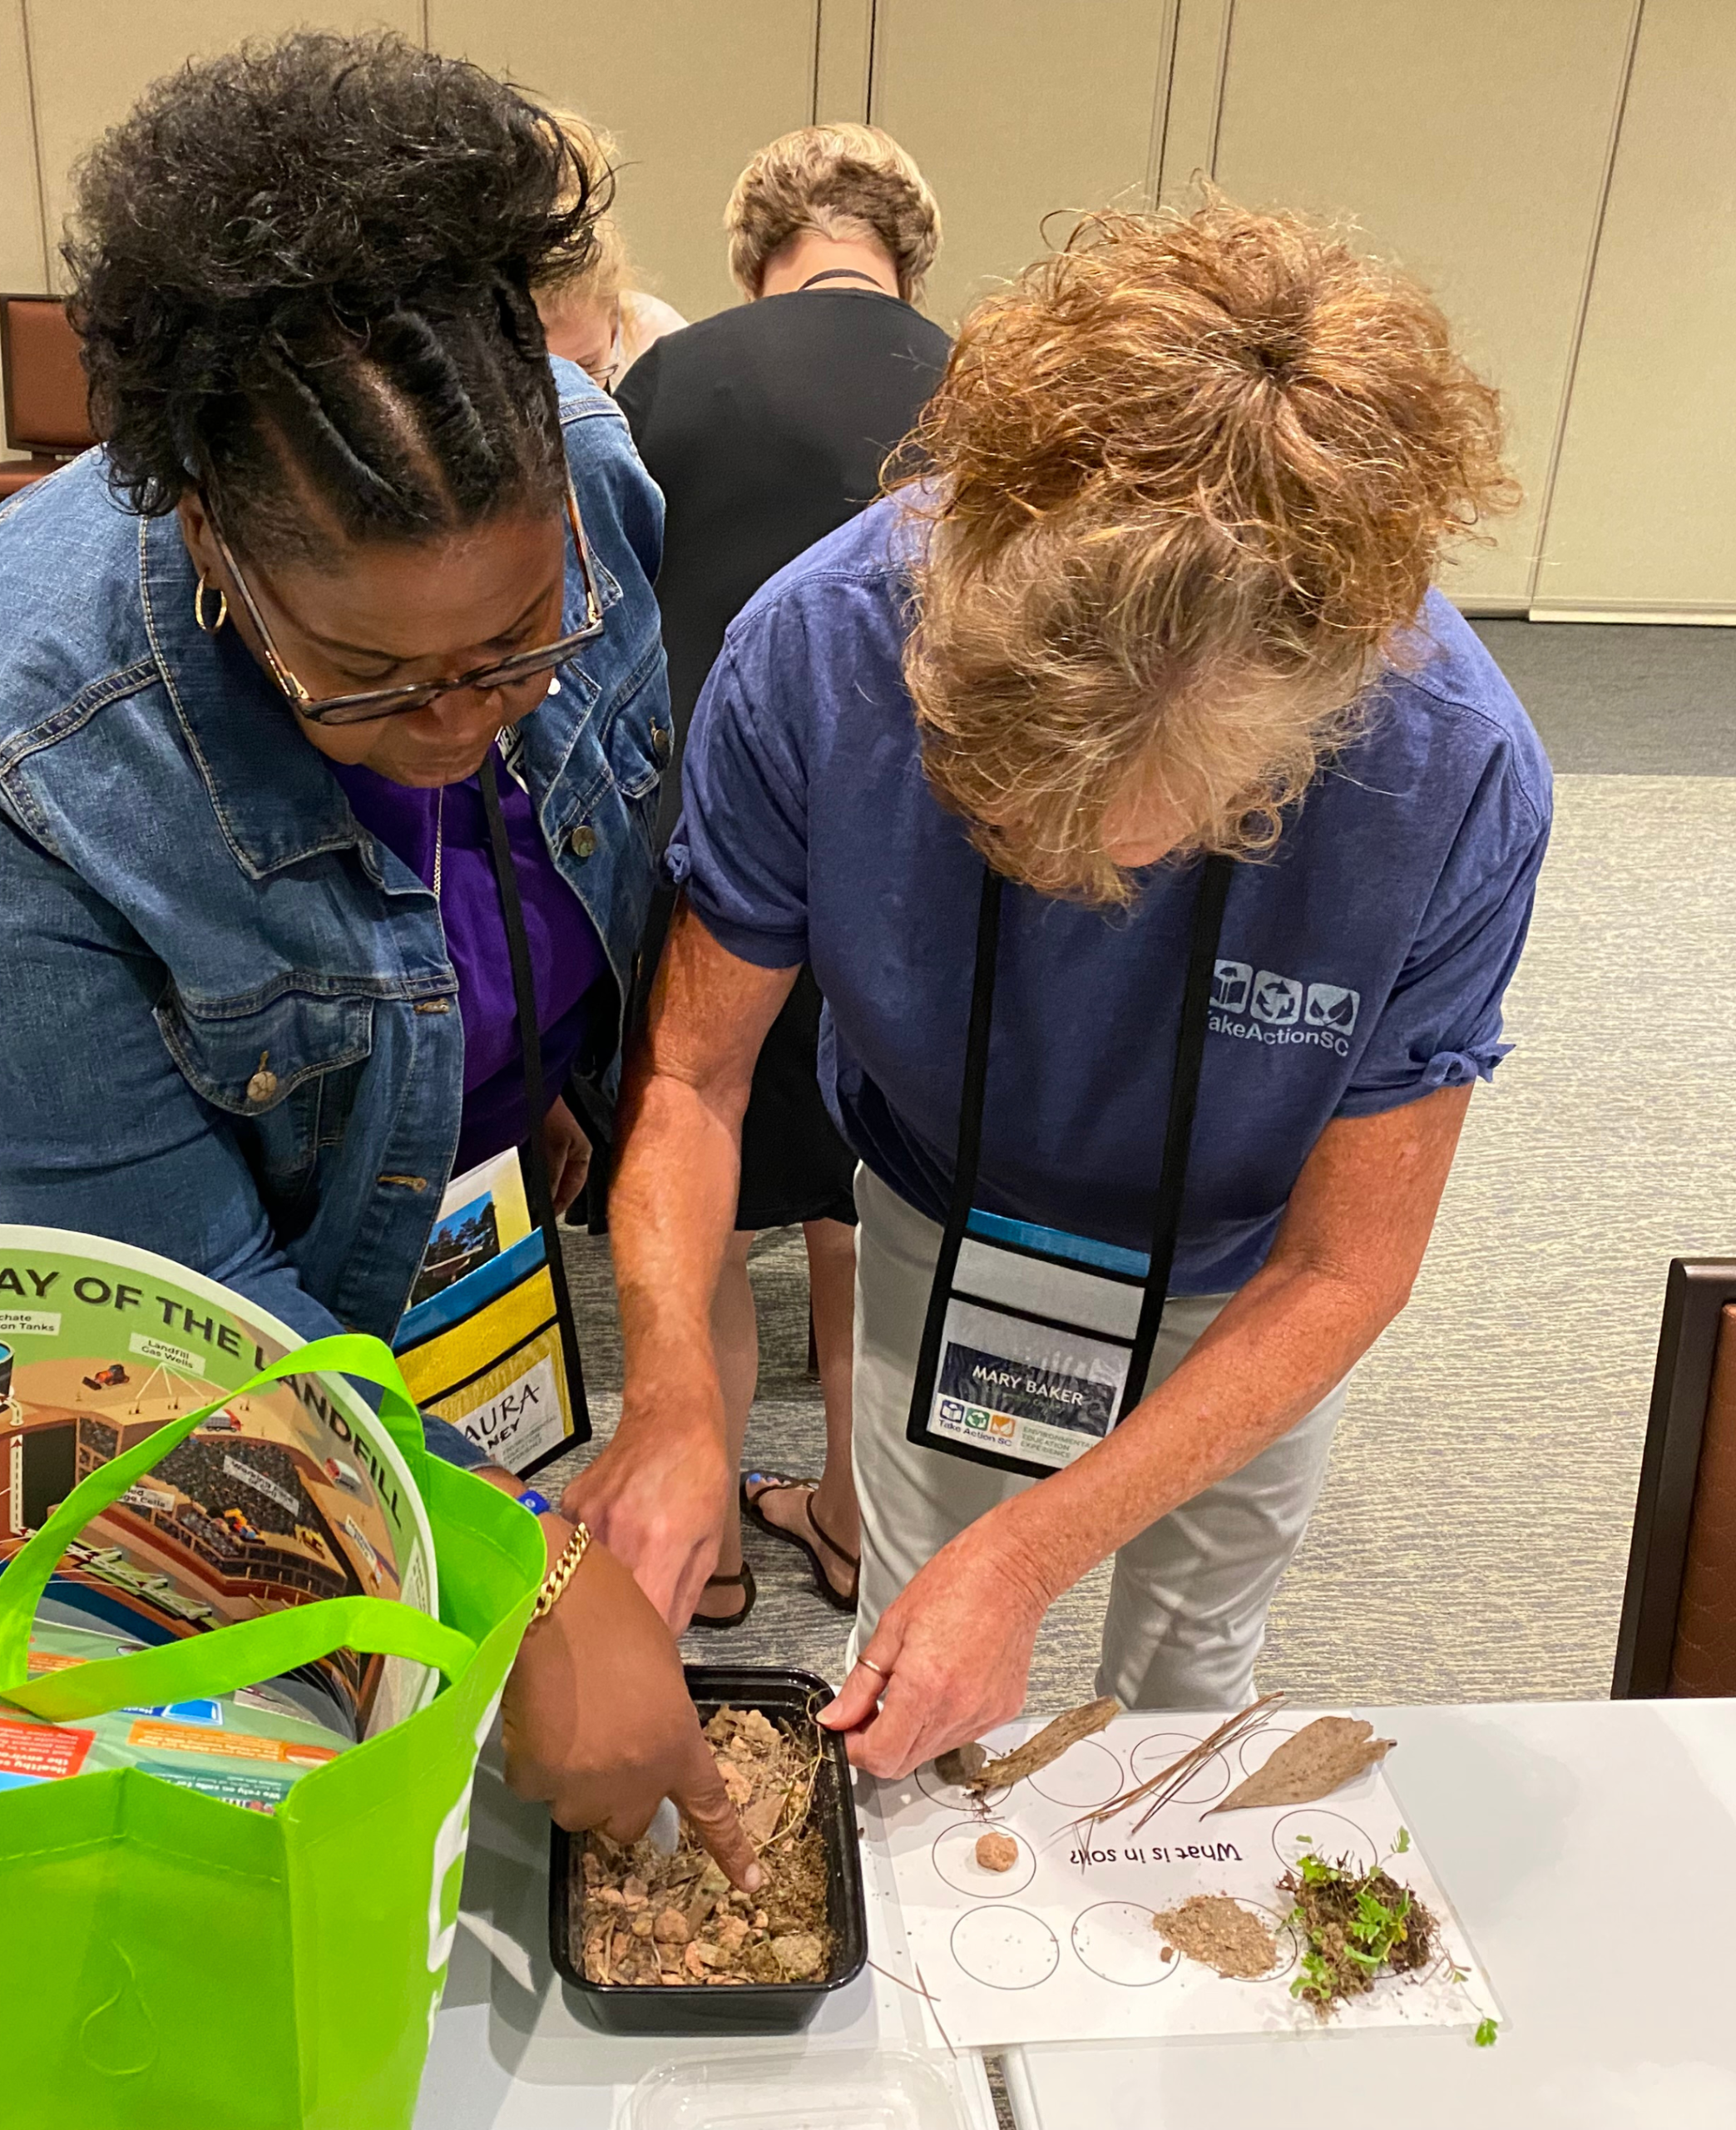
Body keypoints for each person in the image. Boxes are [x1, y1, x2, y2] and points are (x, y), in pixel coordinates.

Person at [0, 32, 754, 1882]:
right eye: (372, 680)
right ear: (211, 538)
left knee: (384, 1692)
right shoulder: (11, 748)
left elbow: (597, 867)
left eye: (516, 641)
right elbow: (187, 1317)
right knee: (143, 1786)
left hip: (385, 1181)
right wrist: (529, 1579)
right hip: (59, 1302)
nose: (465, 715)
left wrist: (531, 1077)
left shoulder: (596, 479)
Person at [565, 200, 1550, 1781]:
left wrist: (1034, 1558)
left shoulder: (1450, 774)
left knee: (1186, 1686)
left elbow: (1348, 1268)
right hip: (940, 1215)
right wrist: (678, 1388)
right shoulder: (817, 652)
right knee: (915, 1655)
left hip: (1251, 1277)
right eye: (986, 802)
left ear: (1297, 742)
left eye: (1117, 833)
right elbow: (690, 1081)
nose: (1035, 861)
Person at [612, 124, 951, 1624]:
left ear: (754, 256)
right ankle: (853, 1517)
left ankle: (717, 1542)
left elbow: (608, 623)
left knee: (718, 1184)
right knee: (869, 1204)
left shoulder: (675, 381)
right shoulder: (991, 385)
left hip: (715, 841)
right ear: (909, 254)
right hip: (921, 859)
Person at [534, 110, 687, 392]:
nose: (569, 396)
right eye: (544, 372)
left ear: (614, 317)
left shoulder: (661, 347)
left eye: (589, 365)